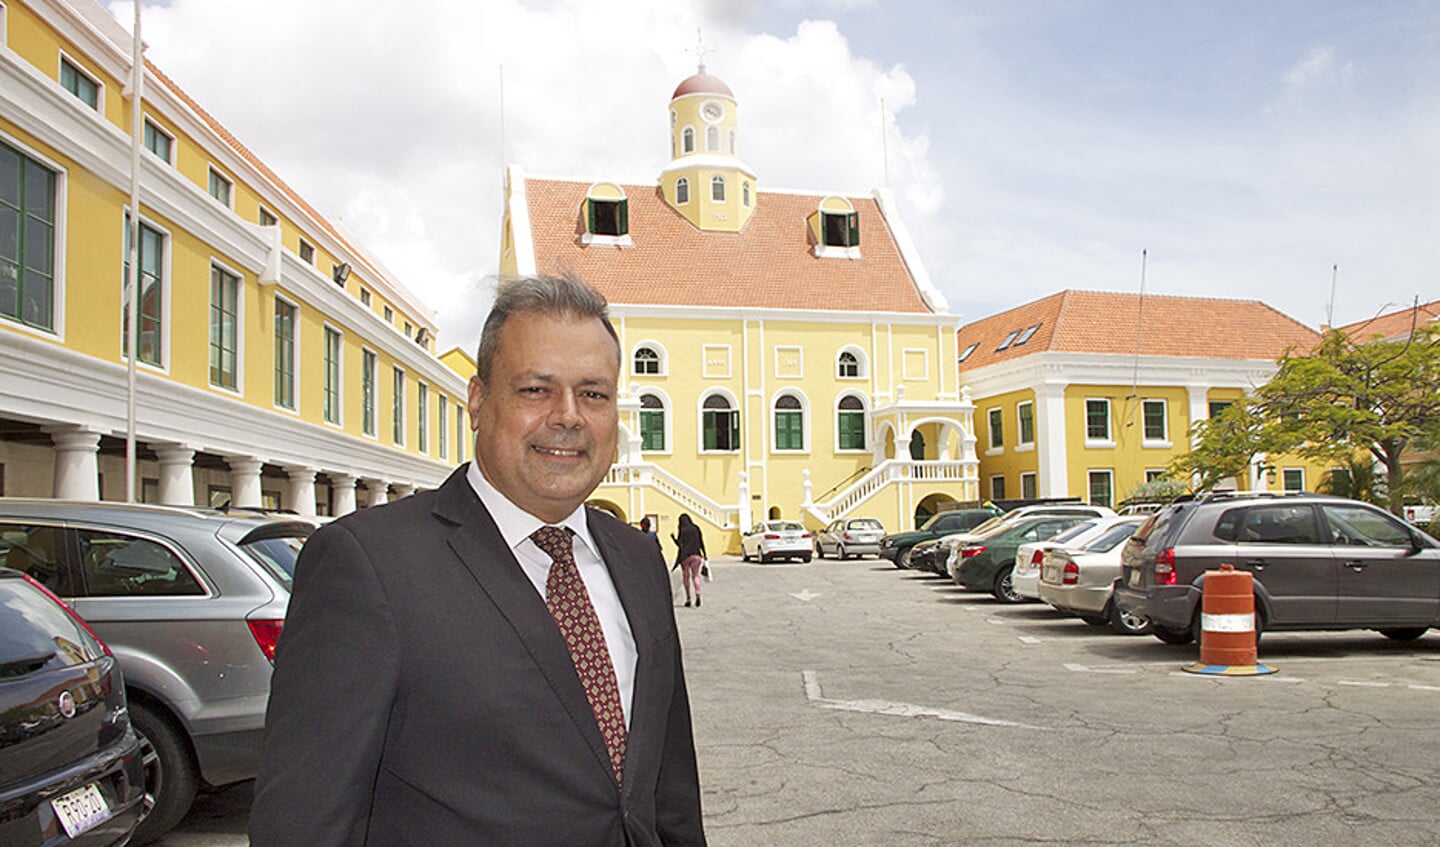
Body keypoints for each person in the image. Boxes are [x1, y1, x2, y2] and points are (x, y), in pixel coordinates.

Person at [250, 275, 706, 846]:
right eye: (535, 390)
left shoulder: (639, 560)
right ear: (477, 400)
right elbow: (303, 824)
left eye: (593, 393)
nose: (567, 416)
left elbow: (669, 790)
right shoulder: (366, 567)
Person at [671, 513, 707, 608]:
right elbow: (701, 542)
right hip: (696, 555)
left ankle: (688, 599)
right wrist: (705, 554)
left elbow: (680, 544)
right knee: (695, 576)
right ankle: (698, 593)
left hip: (685, 557)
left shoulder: (683, 530)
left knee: (686, 577)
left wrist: (673, 538)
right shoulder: (696, 528)